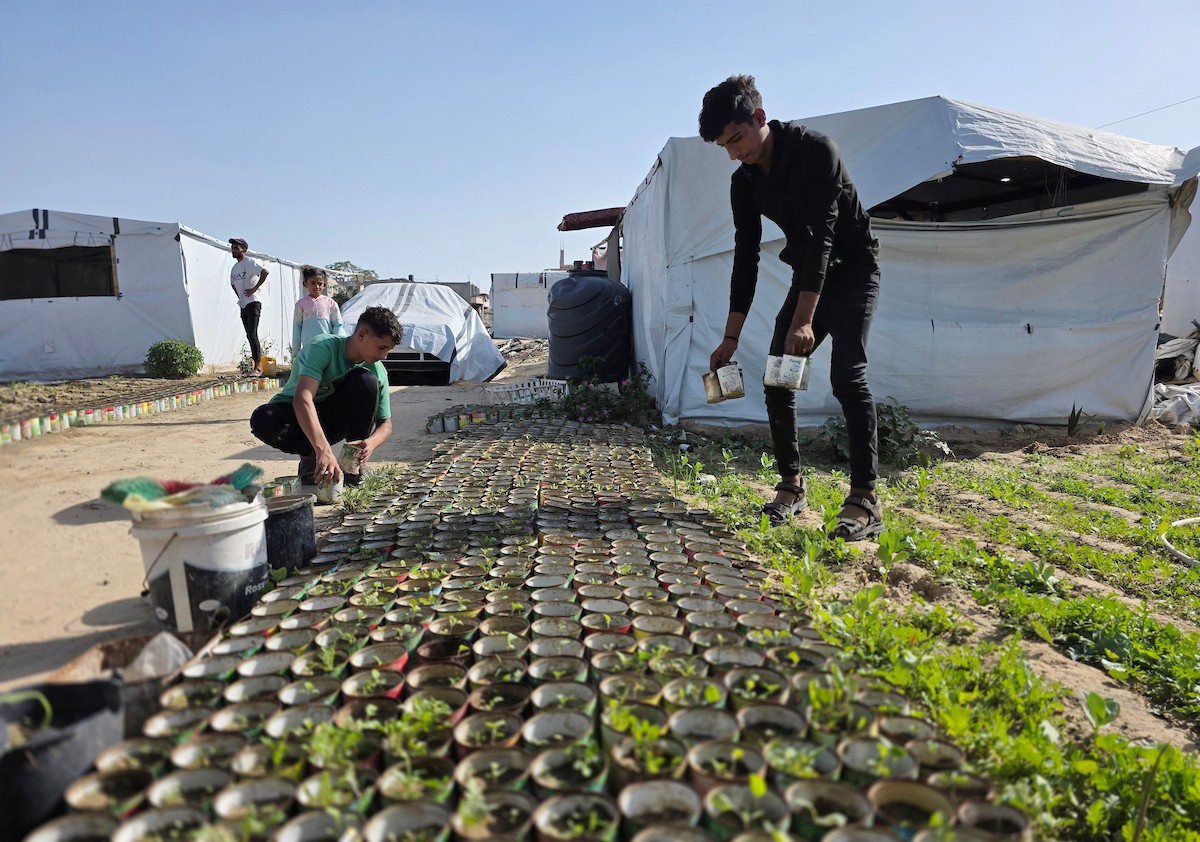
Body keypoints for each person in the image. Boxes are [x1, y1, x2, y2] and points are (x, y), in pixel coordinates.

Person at [699, 75, 883, 540]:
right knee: (779, 380)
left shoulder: (816, 150)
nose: (734, 152)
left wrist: (804, 322)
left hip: (854, 272)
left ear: (760, 118)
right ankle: (792, 486)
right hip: (809, 277)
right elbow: (746, 257)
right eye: (724, 146)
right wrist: (730, 337)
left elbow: (822, 237)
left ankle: (864, 498)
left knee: (847, 376)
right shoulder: (744, 183)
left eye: (736, 138)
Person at [250, 305, 403, 487]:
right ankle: (310, 459)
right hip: (297, 417)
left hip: (332, 420)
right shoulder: (322, 347)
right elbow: (302, 400)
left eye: (388, 350)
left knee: (366, 381)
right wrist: (323, 450)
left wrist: (370, 443)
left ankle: (352, 464)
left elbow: (386, 425)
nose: (384, 356)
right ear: (361, 335)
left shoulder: (377, 371)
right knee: (263, 418)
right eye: (381, 347)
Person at [229, 237, 269, 377]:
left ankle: (258, 366)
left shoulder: (250, 262)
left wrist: (254, 288)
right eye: (233, 248)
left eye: (237, 248)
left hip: (253, 302)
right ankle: (253, 365)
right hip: (244, 304)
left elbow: (265, 272)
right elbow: (233, 283)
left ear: (244, 250)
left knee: (252, 334)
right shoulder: (234, 268)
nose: (234, 250)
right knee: (248, 334)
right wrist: (240, 296)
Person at [292, 266, 343, 358]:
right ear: (305, 284)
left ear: (324, 285)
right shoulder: (301, 304)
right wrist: (296, 352)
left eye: (320, 284)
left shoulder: (330, 303)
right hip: (308, 348)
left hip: (327, 346)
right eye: (312, 283)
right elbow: (297, 328)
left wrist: (339, 345)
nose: (316, 287)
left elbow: (338, 325)